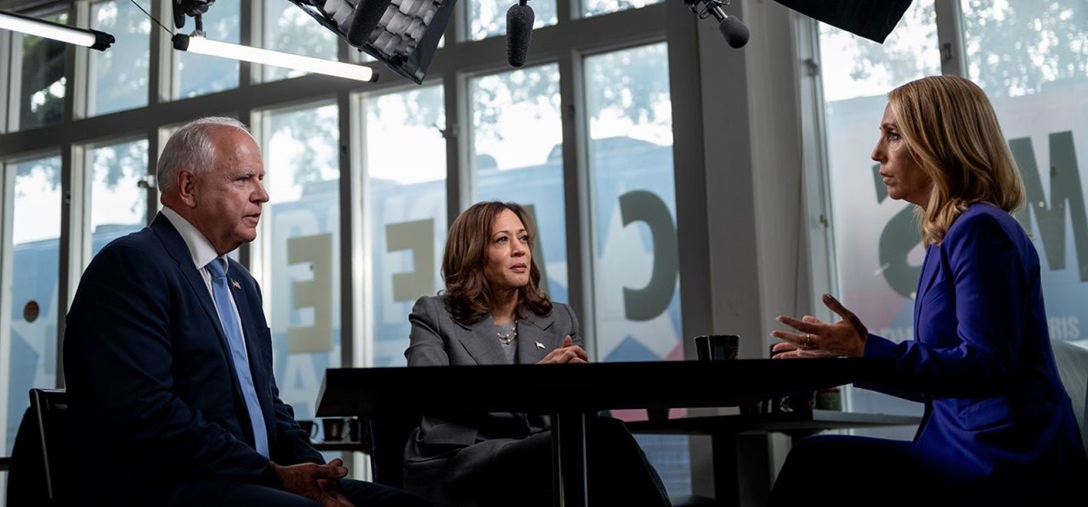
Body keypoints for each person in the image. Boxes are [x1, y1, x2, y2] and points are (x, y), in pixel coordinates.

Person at [63, 117, 433, 507]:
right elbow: (148, 413)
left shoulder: (240, 283)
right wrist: (271, 474)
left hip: (252, 478)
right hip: (172, 486)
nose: (263, 195)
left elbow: (268, 403)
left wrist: (312, 471)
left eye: (261, 178)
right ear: (188, 187)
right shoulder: (131, 265)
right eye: (244, 179)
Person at [768, 75, 1087, 504]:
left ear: (939, 144)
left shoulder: (980, 229)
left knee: (814, 462)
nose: (876, 152)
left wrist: (865, 350)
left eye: (893, 135)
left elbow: (984, 367)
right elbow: (943, 378)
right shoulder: (952, 235)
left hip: (1004, 462)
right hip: (966, 452)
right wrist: (848, 358)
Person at [402, 201, 672, 507]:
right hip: (463, 460)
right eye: (503, 240)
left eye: (524, 238)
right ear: (473, 254)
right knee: (604, 438)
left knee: (604, 435)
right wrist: (533, 382)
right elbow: (430, 392)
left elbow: (585, 405)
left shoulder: (558, 318)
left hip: (539, 454)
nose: (520, 250)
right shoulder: (434, 314)